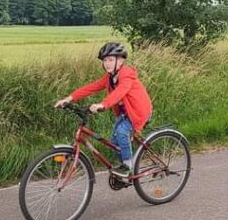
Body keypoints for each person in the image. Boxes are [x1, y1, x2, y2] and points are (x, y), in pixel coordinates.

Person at [54, 42, 153, 179]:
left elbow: (119, 92)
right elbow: (91, 87)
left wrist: (103, 104)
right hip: (126, 113)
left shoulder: (127, 75)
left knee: (122, 132)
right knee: (114, 141)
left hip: (138, 112)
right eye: (105, 60)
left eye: (111, 60)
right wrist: (69, 98)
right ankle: (124, 169)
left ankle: (128, 167)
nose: (107, 63)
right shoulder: (109, 78)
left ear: (121, 61)